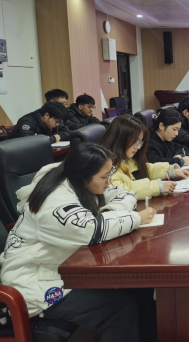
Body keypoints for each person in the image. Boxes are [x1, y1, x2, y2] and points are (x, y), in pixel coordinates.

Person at [0, 143, 157, 341]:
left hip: (60, 266)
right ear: (84, 175)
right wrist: (135, 218)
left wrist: (109, 212)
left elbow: (124, 193)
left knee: (139, 290)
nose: (109, 181)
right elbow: (90, 230)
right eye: (104, 177)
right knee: (120, 307)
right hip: (33, 281)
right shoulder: (54, 200)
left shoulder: (75, 178)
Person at [99, 115, 189, 200]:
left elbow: (145, 169)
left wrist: (170, 170)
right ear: (121, 139)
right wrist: (157, 187)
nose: (138, 147)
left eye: (140, 142)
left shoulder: (126, 157)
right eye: (136, 141)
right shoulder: (106, 165)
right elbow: (122, 190)